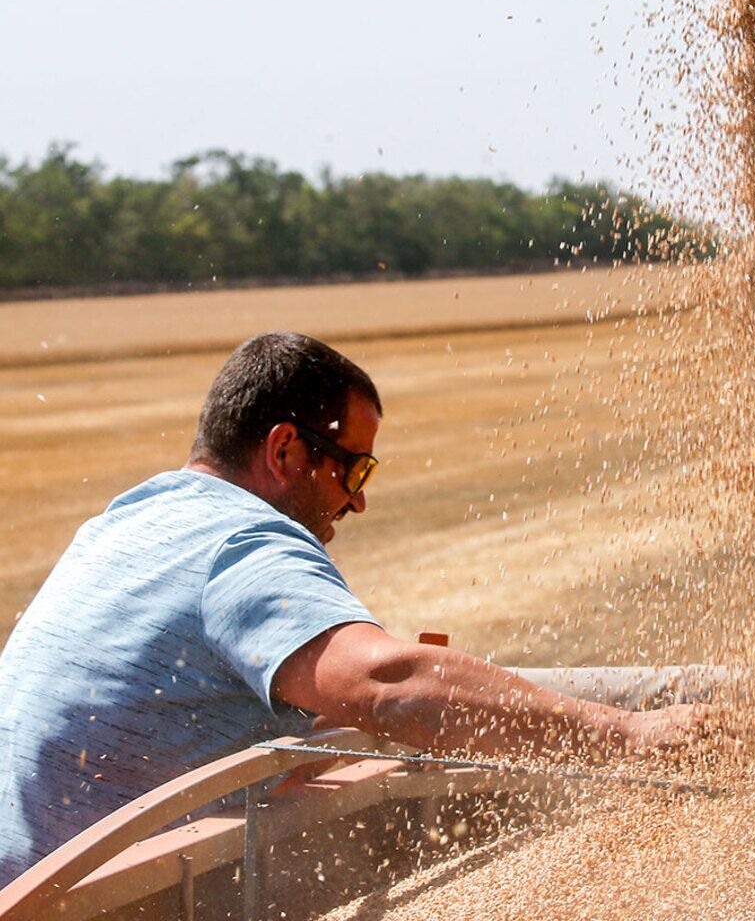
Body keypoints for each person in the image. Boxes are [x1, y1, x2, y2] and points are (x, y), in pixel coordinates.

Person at [0, 332, 712, 887]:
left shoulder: (127, 522)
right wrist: (629, 735)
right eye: (353, 467)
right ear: (284, 449)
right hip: (90, 898)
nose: (359, 498)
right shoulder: (240, 543)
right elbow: (387, 685)